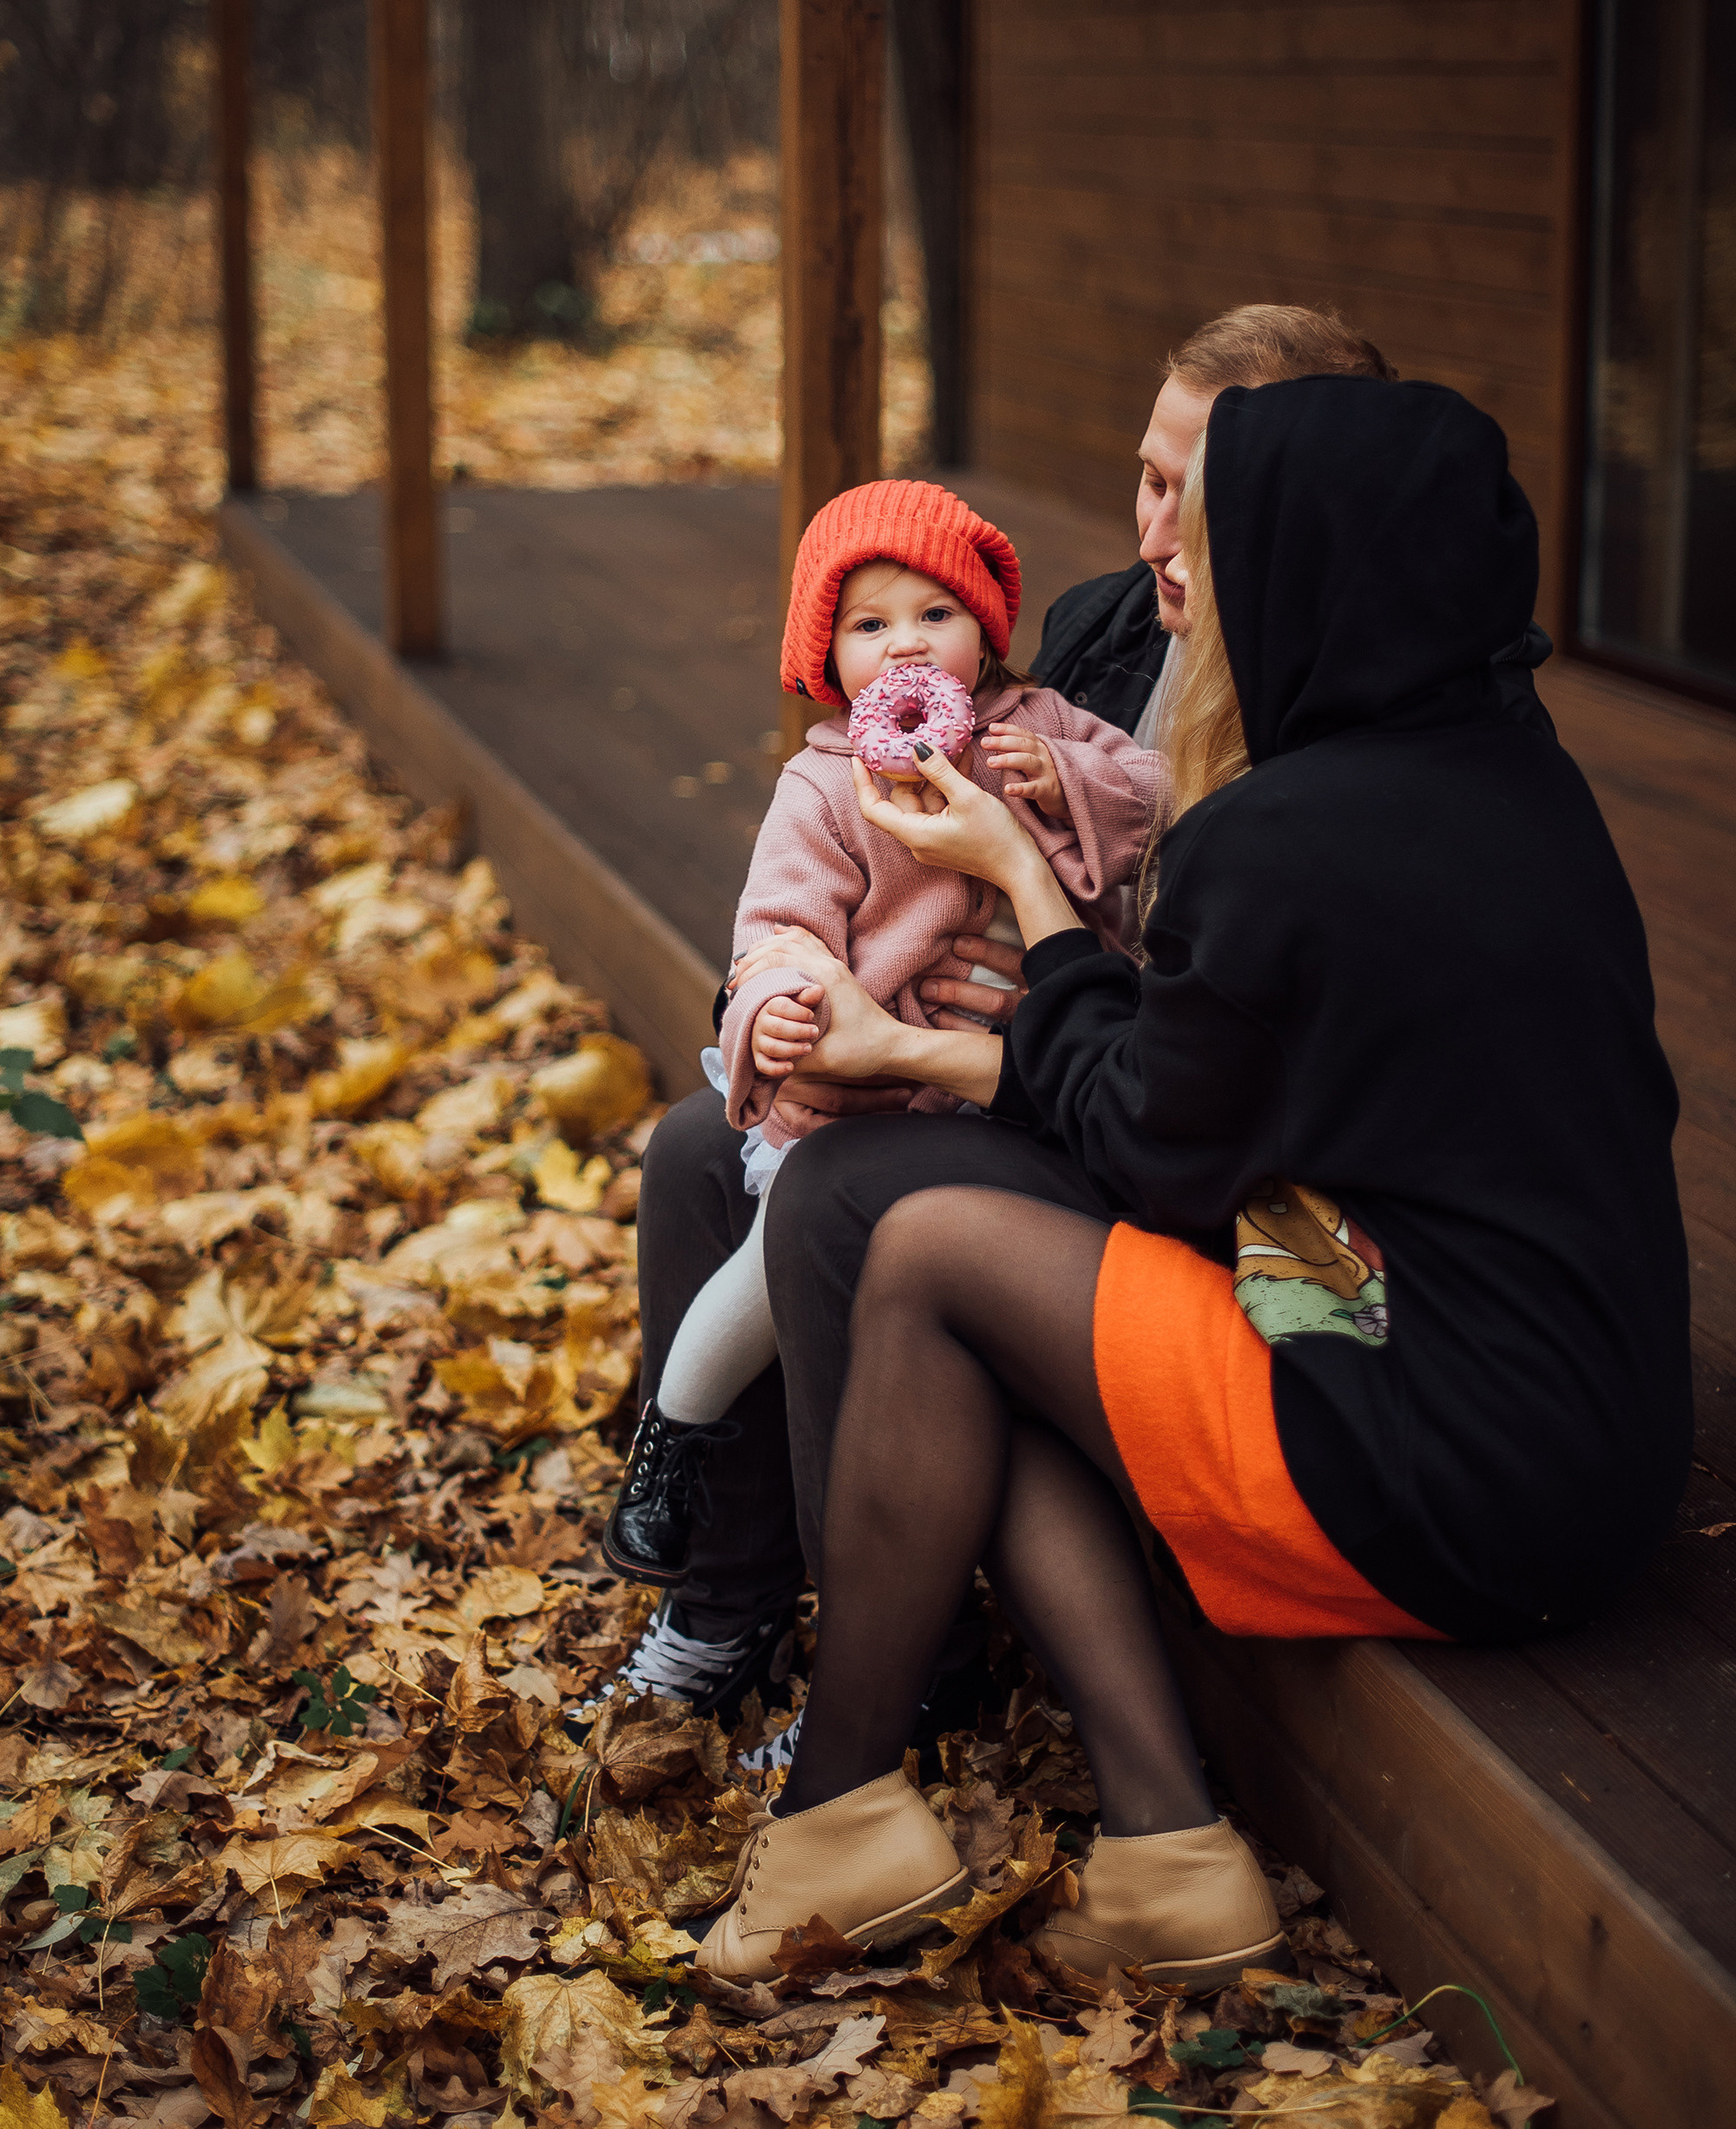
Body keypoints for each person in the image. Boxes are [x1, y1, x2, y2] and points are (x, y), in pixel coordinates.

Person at [693, 376, 1693, 1985]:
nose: (1183, 593)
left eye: (1215, 550)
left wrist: (1025, 894)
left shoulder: (1286, 836)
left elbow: (1159, 1152)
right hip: (1574, 1413)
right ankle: (1152, 1846)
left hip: (1431, 1436)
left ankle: (854, 1804)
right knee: (945, 1269)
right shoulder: (1523, 785)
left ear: (1307, 575)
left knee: (936, 1262)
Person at [601, 304, 1401, 1719]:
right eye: (1148, 479)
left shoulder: (1337, 716)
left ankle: (889, 1657)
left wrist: (992, 986)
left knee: (840, 1188)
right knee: (688, 1152)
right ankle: (722, 1602)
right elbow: (798, 896)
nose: (1155, 534)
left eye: (1195, 500)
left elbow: (1220, 1042)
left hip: (1134, 1116)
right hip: (965, 1057)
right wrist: (780, 1011)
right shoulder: (1104, 629)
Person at [602, 479, 1163, 1589]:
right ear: (827, 658)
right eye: (869, 624)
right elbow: (771, 932)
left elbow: (1161, 795)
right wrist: (777, 1015)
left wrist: (1066, 781)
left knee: (814, 1232)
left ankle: (795, 1530)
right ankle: (678, 1436)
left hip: (1007, 1086)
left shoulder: (1041, 728)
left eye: (933, 613)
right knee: (745, 1217)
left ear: (986, 631)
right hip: (864, 1086)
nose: (905, 643)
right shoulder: (822, 786)